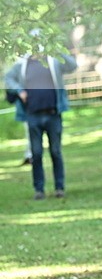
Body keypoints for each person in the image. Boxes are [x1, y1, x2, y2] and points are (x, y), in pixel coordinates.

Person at [5, 49, 77, 200]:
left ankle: (59, 188)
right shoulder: (23, 64)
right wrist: (19, 90)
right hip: (33, 116)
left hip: (53, 114)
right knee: (36, 154)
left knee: (56, 152)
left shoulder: (54, 61)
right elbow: (8, 78)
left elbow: (72, 65)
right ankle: (39, 190)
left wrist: (57, 49)